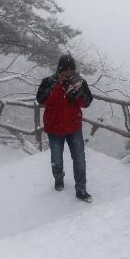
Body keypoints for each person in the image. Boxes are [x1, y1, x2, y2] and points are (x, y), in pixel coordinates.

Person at [36, 53, 95, 202]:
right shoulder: (49, 82)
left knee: (79, 159)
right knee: (57, 158)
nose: (68, 74)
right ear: (59, 70)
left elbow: (87, 102)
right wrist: (56, 87)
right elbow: (41, 100)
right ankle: (58, 177)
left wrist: (78, 95)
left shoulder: (80, 82)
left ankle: (81, 189)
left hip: (73, 127)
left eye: (71, 71)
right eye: (65, 71)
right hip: (54, 127)